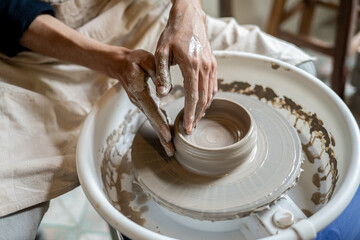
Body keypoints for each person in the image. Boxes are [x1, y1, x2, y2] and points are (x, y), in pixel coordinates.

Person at [0, 0, 314, 239]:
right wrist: (116, 61)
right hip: (38, 55)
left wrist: (188, 14)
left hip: (148, 18)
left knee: (301, 73)